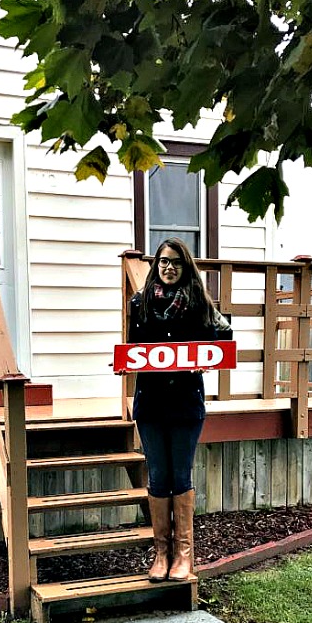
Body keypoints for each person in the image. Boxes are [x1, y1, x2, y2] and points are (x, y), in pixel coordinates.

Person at [127, 238, 231, 582]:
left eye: (175, 263)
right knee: (158, 477)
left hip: (186, 403)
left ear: (185, 267)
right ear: (156, 265)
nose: (169, 268)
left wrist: (210, 356)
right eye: (163, 262)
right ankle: (161, 554)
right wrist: (126, 362)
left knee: (180, 476)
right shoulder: (140, 303)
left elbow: (224, 337)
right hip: (151, 403)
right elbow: (132, 347)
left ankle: (184, 554)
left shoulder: (199, 303)